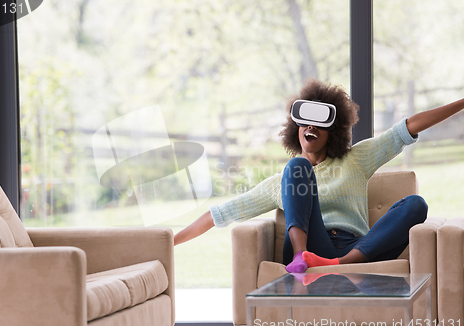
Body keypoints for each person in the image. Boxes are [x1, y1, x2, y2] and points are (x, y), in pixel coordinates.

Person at [174, 79, 464, 273]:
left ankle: (340, 263)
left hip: (356, 247)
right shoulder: (285, 180)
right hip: (312, 243)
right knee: (296, 167)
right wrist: (169, 242)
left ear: (333, 131)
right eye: (305, 122)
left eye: (320, 124)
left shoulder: (356, 159)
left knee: (416, 204)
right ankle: (302, 257)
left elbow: (407, 128)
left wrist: (462, 102)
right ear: (295, 127)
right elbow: (220, 214)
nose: (310, 128)